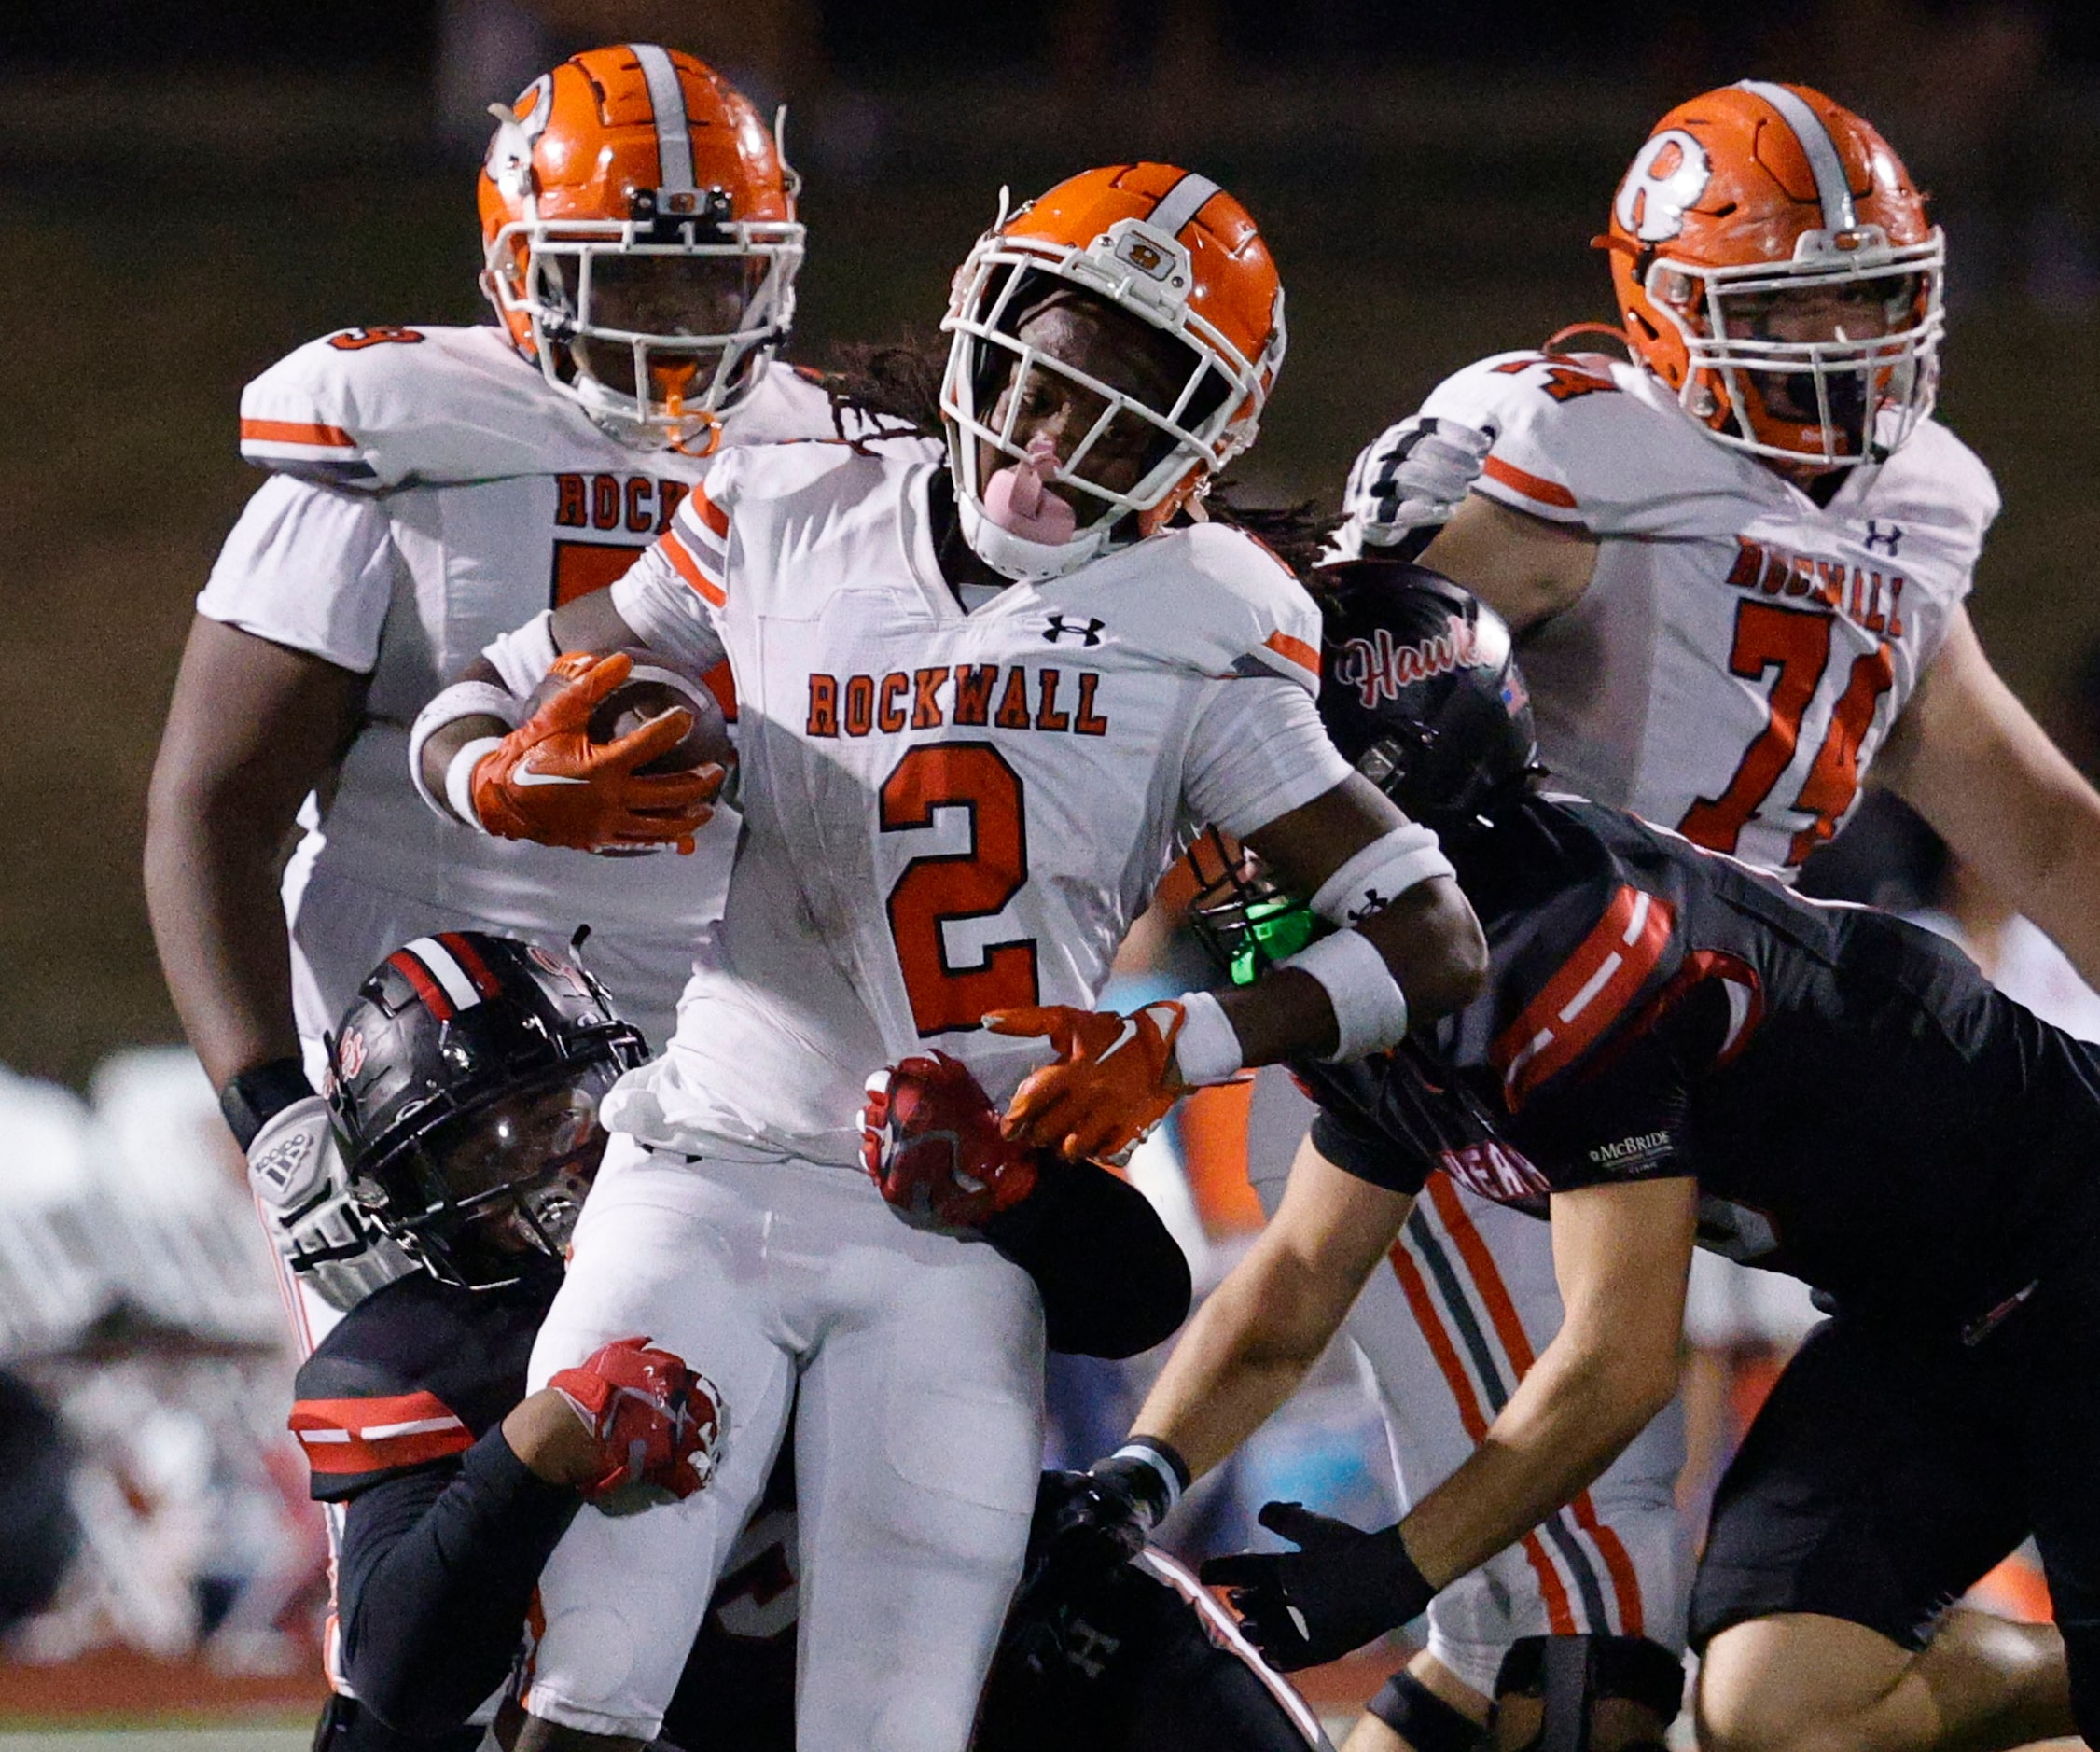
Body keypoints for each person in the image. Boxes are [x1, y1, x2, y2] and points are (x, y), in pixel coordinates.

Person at [410, 162, 1487, 1749]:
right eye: (1037, 390)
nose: (1051, 454)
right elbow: (481, 691)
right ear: (975, 339)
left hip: (959, 1222)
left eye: (1118, 417)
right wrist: (491, 774)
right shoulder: (788, 492)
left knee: (893, 1726)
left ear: (1205, 441)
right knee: (582, 1689)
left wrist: (1171, 1043)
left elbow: (1433, 936)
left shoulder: (1208, 616)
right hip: (707, 1161)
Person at [1324, 79, 2100, 1752]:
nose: (1833, 340)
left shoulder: (1920, 506)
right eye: (1785, 301)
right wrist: (1377, 561)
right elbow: (1341, 687)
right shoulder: (1580, 451)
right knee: (1573, 1637)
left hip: (1698, 1073)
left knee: (1555, 1637)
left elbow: (2040, 828)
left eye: (1865, 292)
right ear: (1656, 305)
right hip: (1512, 1060)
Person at [1059, 563, 2091, 1752]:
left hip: (2077, 1249)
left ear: (1395, 784)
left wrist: (1399, 1569)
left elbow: (1620, 1359)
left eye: (1277, 790)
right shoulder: (1393, 963)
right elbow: (1297, 1276)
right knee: (1774, 1712)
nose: (1241, 834)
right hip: (1915, 1313)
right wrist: (1138, 1476)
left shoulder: (1566, 949)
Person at [143, 43, 834, 1350]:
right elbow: (212, 803)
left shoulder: (822, 464)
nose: (679, 323)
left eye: (714, 271)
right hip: (423, 1090)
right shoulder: (400, 442)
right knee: (428, 1492)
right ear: (521, 264)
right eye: (631, 271)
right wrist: (275, 1115)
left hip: (717, 1075)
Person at [294, 930, 1315, 1751]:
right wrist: (536, 1450)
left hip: (976, 1632)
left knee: (1124, 1618)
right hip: (675, 1714)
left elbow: (1138, 1296)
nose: (545, 1160)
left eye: (555, 1106)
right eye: (481, 1145)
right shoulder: (412, 1358)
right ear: (408, 1195)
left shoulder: (749, 1172)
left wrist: (1012, 1193)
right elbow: (402, 1684)